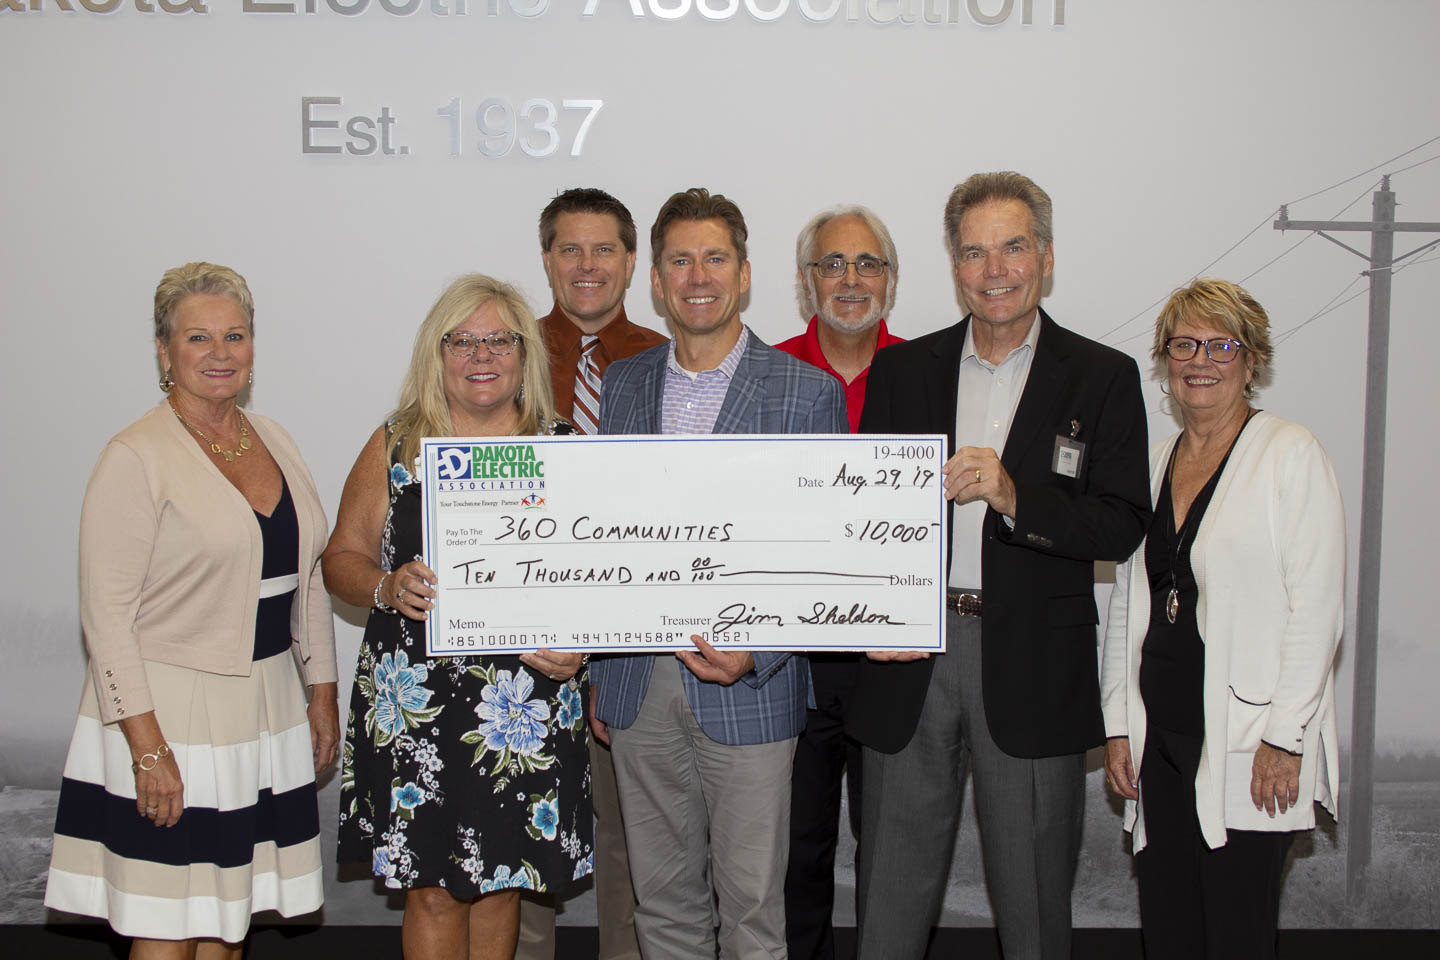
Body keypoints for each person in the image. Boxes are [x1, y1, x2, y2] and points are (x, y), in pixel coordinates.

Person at [846, 171, 1152, 959]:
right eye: (974, 252)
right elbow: (862, 522)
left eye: (1012, 248)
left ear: (1045, 258)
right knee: (887, 904)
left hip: (1030, 664)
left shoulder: (1102, 375)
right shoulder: (902, 372)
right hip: (910, 653)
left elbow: (1121, 525)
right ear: (955, 267)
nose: (994, 270)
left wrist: (1019, 497)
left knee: (1034, 912)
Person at [45, 261, 340, 958]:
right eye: (198, 338)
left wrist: (321, 693)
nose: (219, 354)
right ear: (163, 350)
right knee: (167, 930)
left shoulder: (276, 440)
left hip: (264, 711)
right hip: (167, 717)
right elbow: (107, 619)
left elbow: (310, 578)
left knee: (227, 928)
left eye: (235, 336)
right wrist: (147, 750)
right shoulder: (135, 455)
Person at [592, 187, 847, 959]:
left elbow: (825, 555)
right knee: (662, 906)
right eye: (680, 260)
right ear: (657, 282)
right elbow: (605, 537)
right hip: (639, 687)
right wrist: (604, 671)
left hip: (750, 688)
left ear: (743, 275)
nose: (697, 276)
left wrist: (760, 652)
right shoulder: (625, 385)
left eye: (714, 258)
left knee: (752, 914)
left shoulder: (809, 393)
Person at [328, 275, 593, 960]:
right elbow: (341, 559)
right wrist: (386, 585)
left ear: (523, 353)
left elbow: (601, 580)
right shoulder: (397, 445)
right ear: (436, 352)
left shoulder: (563, 447)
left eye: (499, 340)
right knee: (434, 889)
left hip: (523, 704)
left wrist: (583, 650)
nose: (482, 355)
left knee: (500, 882)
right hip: (417, 706)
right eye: (463, 341)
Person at [1100, 278, 1344, 959]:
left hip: (1248, 743)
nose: (1199, 360)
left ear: (1252, 359)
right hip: (1161, 744)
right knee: (1171, 933)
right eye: (1183, 344)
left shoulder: (1289, 455)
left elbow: (1318, 609)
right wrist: (1118, 725)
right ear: (1164, 360)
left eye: (1220, 344)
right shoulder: (1152, 466)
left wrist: (1286, 738)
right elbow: (1128, 602)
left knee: (1236, 934)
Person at [525, 187, 668, 960]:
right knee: (521, 853)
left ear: (630, 262)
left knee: (633, 854)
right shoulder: (499, 357)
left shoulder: (664, 362)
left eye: (603, 249)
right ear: (547, 258)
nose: (587, 266)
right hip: (521, 650)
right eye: (570, 249)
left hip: (630, 651)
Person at [775, 204, 904, 960]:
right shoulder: (769, 373)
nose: (851, 280)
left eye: (868, 264)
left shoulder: (928, 374)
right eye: (833, 264)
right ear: (805, 282)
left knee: (894, 859)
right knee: (797, 856)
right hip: (789, 663)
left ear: (890, 278)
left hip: (896, 662)